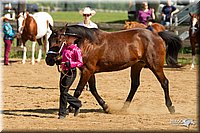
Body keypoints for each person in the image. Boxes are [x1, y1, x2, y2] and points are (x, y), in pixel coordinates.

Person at [57, 33, 83, 119]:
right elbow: (61, 57)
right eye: (66, 37)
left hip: (71, 72)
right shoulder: (63, 47)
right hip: (63, 71)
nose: (66, 39)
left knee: (64, 92)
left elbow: (80, 62)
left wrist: (70, 64)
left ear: (73, 39)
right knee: (62, 92)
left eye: (68, 37)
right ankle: (76, 104)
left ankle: (62, 113)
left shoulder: (76, 50)